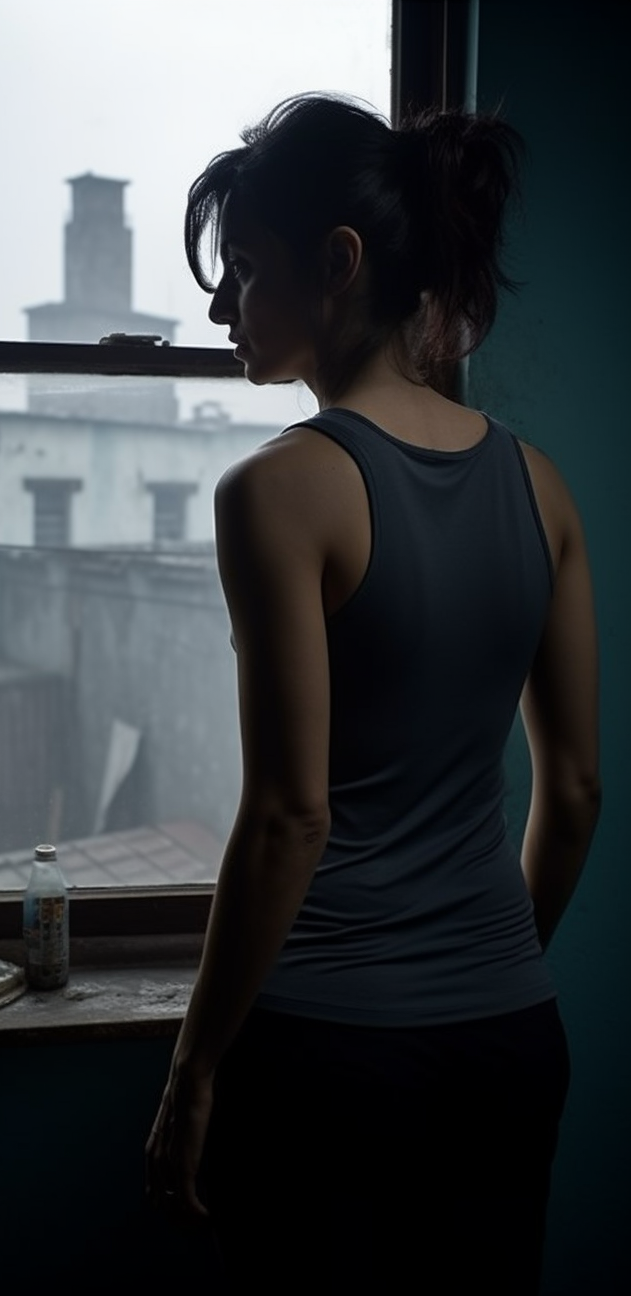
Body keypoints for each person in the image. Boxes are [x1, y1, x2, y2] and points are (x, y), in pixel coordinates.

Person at [144, 94, 601, 1294]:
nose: (218, 305)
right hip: (511, 1041)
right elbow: (580, 789)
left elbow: (293, 817)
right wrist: (486, 963)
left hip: (329, 1060)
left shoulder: (277, 492)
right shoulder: (542, 488)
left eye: (243, 269)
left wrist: (196, 1068)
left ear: (337, 265)